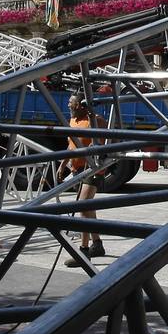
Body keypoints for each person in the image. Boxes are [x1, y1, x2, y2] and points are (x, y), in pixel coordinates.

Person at [57, 94, 106, 266]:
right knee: (88, 208)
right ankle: (97, 244)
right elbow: (71, 145)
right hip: (78, 169)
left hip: (93, 169)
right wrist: (63, 164)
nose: (68, 105)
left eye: (71, 103)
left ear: (79, 105)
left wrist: (95, 147)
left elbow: (104, 141)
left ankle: (84, 251)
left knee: (83, 206)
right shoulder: (73, 122)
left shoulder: (95, 120)